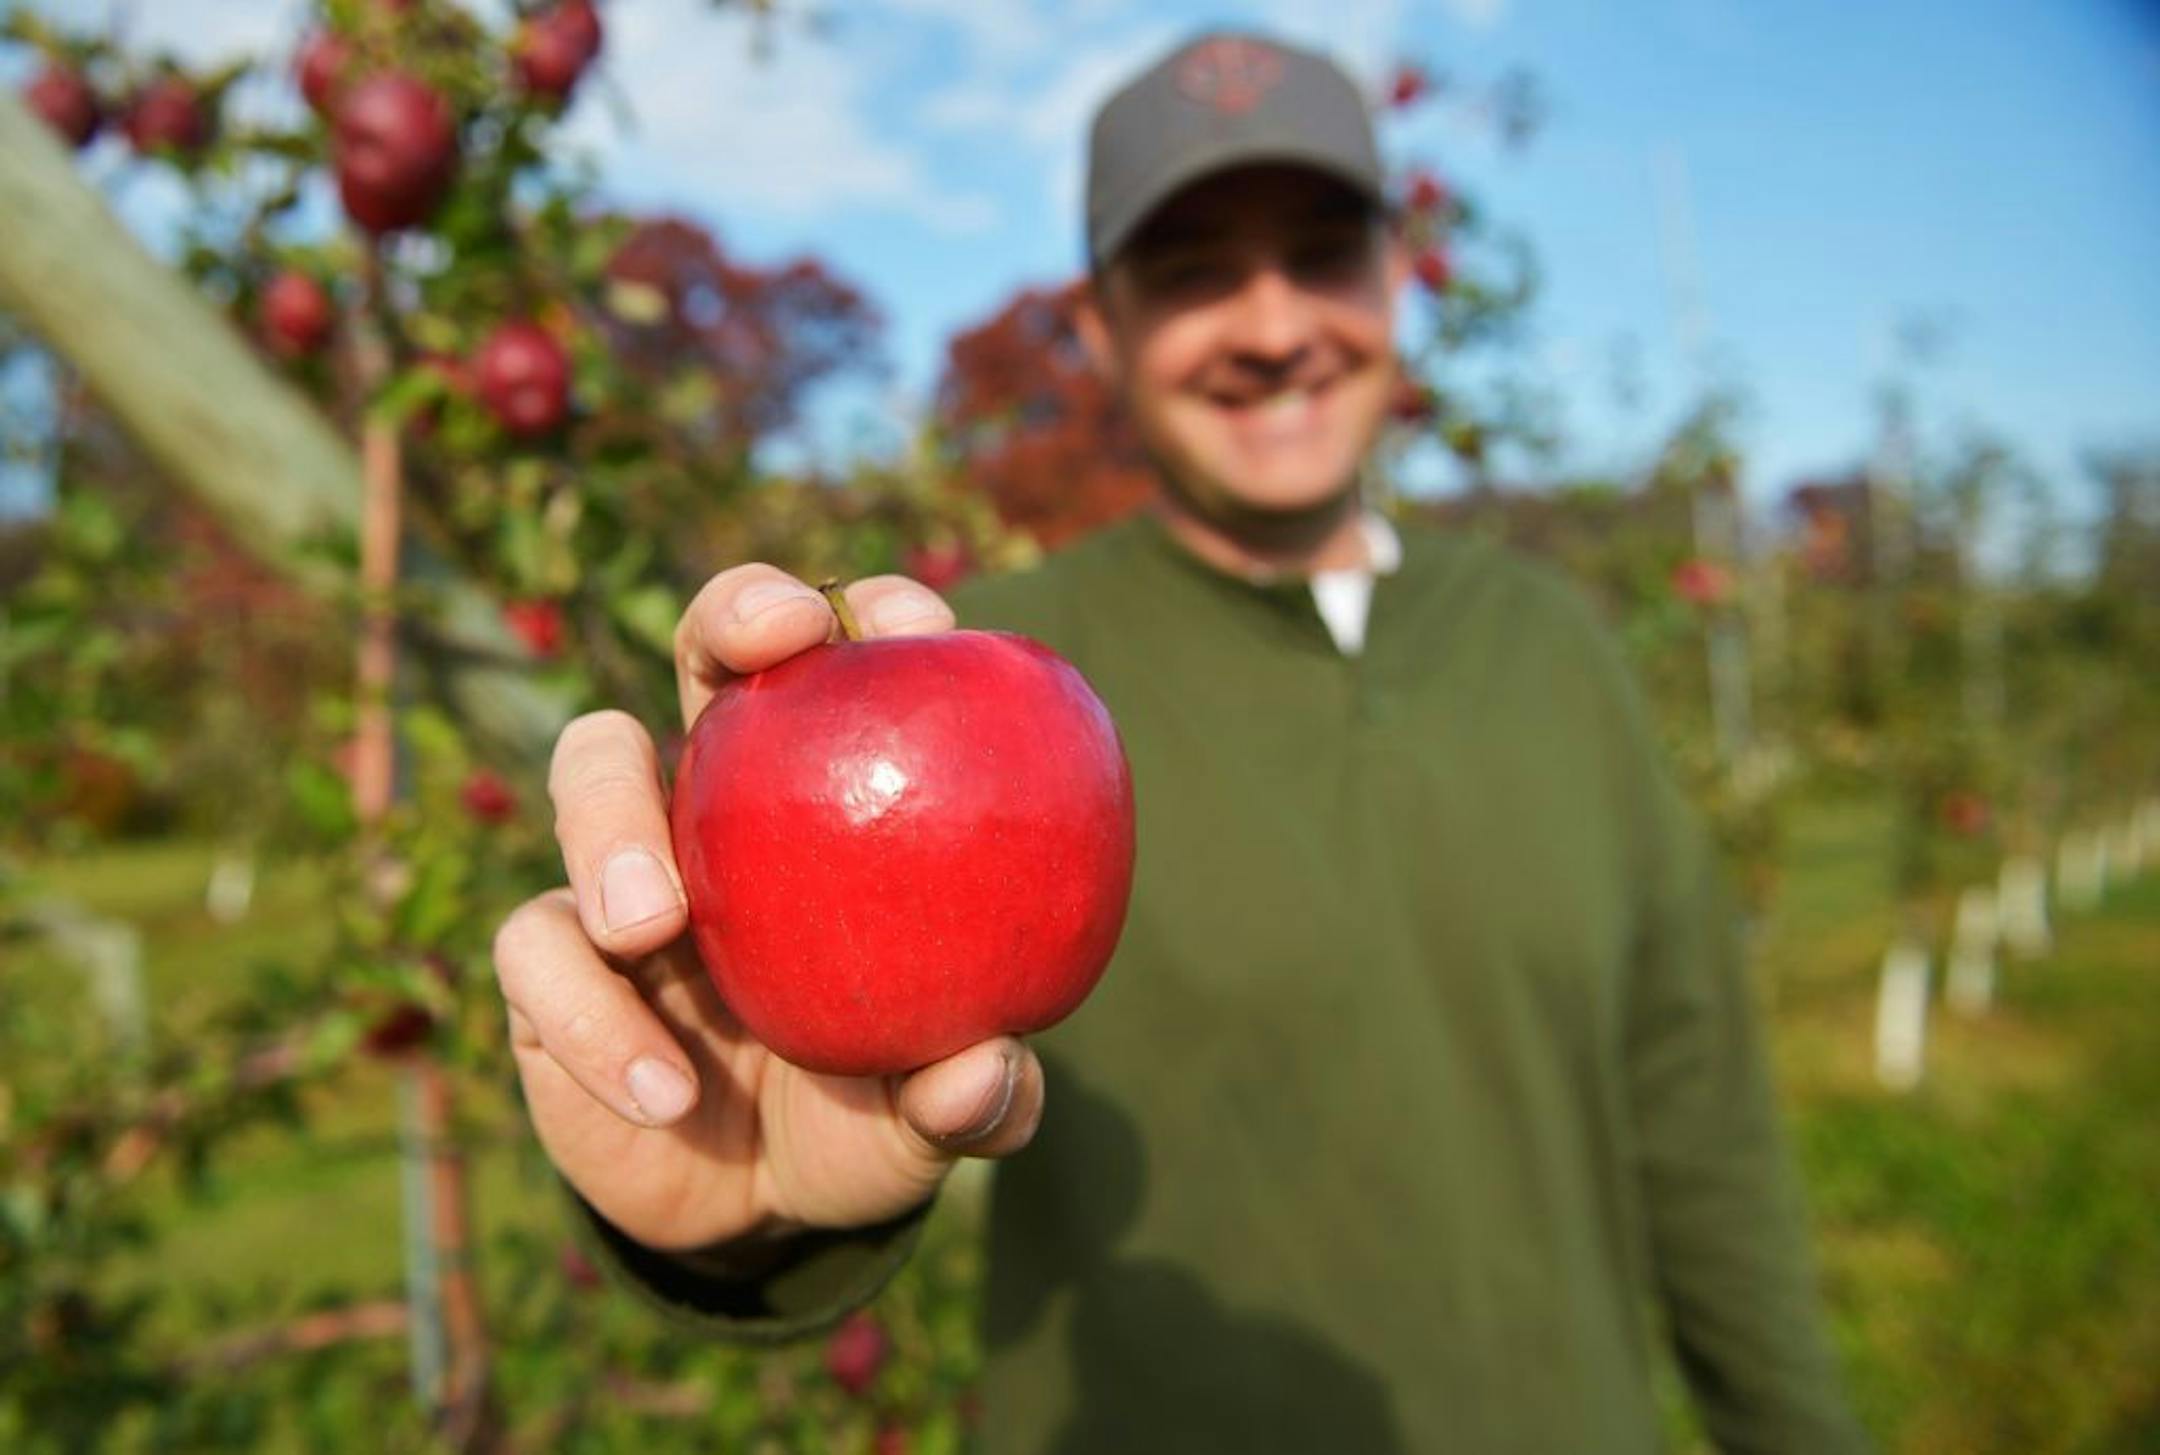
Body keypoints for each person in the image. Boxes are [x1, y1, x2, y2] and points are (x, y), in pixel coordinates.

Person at [491, 30, 1868, 1453]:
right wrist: (745, 1201)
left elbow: (1701, 1128)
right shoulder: (979, 677)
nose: (1271, 326)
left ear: (1397, 282)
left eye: (1322, 252)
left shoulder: (1552, 647)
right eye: (1194, 269)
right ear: (1099, 326)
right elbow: (874, 1107)